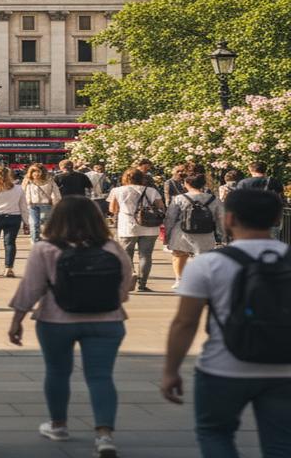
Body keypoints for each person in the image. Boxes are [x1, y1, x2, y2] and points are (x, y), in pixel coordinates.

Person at [161, 187, 291, 457]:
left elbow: (185, 323)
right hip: (285, 369)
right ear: (278, 219)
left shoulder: (208, 264)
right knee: (281, 442)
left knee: (214, 433)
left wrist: (171, 370)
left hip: (224, 367)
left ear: (228, 219)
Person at [8, 196, 132, 457]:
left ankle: (58, 425)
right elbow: (124, 285)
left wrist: (17, 319)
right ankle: (104, 435)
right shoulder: (111, 247)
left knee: (57, 372)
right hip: (107, 320)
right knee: (101, 376)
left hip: (56, 320)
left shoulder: (46, 248)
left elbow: (31, 287)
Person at [163, 173, 224, 291]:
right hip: (205, 232)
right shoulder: (213, 199)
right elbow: (221, 217)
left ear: (186, 184)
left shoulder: (179, 198)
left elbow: (170, 217)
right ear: (203, 184)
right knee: (203, 257)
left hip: (182, 232)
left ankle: (179, 280)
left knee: (179, 255)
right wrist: (222, 235)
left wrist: (167, 233)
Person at [107, 168, 164, 293]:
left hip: (127, 225)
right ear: (141, 178)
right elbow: (161, 207)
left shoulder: (117, 190)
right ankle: (142, 285)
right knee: (146, 255)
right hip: (149, 226)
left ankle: (131, 274)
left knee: (127, 254)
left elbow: (113, 209)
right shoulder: (151, 190)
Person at [0, 165, 28, 277]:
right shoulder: (18, 188)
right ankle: (9, 268)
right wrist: (26, 222)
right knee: (10, 243)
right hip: (14, 217)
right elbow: (23, 206)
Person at [24, 164, 61, 244]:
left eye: (38, 171)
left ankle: (46, 241)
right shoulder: (28, 181)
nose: (36, 173)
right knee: (34, 224)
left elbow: (56, 193)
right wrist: (27, 202)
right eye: (33, 171)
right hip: (32, 205)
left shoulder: (50, 180)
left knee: (45, 223)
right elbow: (24, 192)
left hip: (46, 204)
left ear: (42, 172)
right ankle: (35, 242)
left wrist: (55, 202)